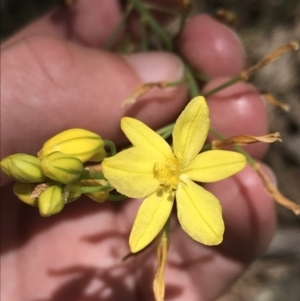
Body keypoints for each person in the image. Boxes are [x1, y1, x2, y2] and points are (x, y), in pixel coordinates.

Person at [0, 1, 276, 300]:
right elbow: (118, 169)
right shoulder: (128, 166)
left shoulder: (183, 146)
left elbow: (196, 119)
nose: (169, 172)